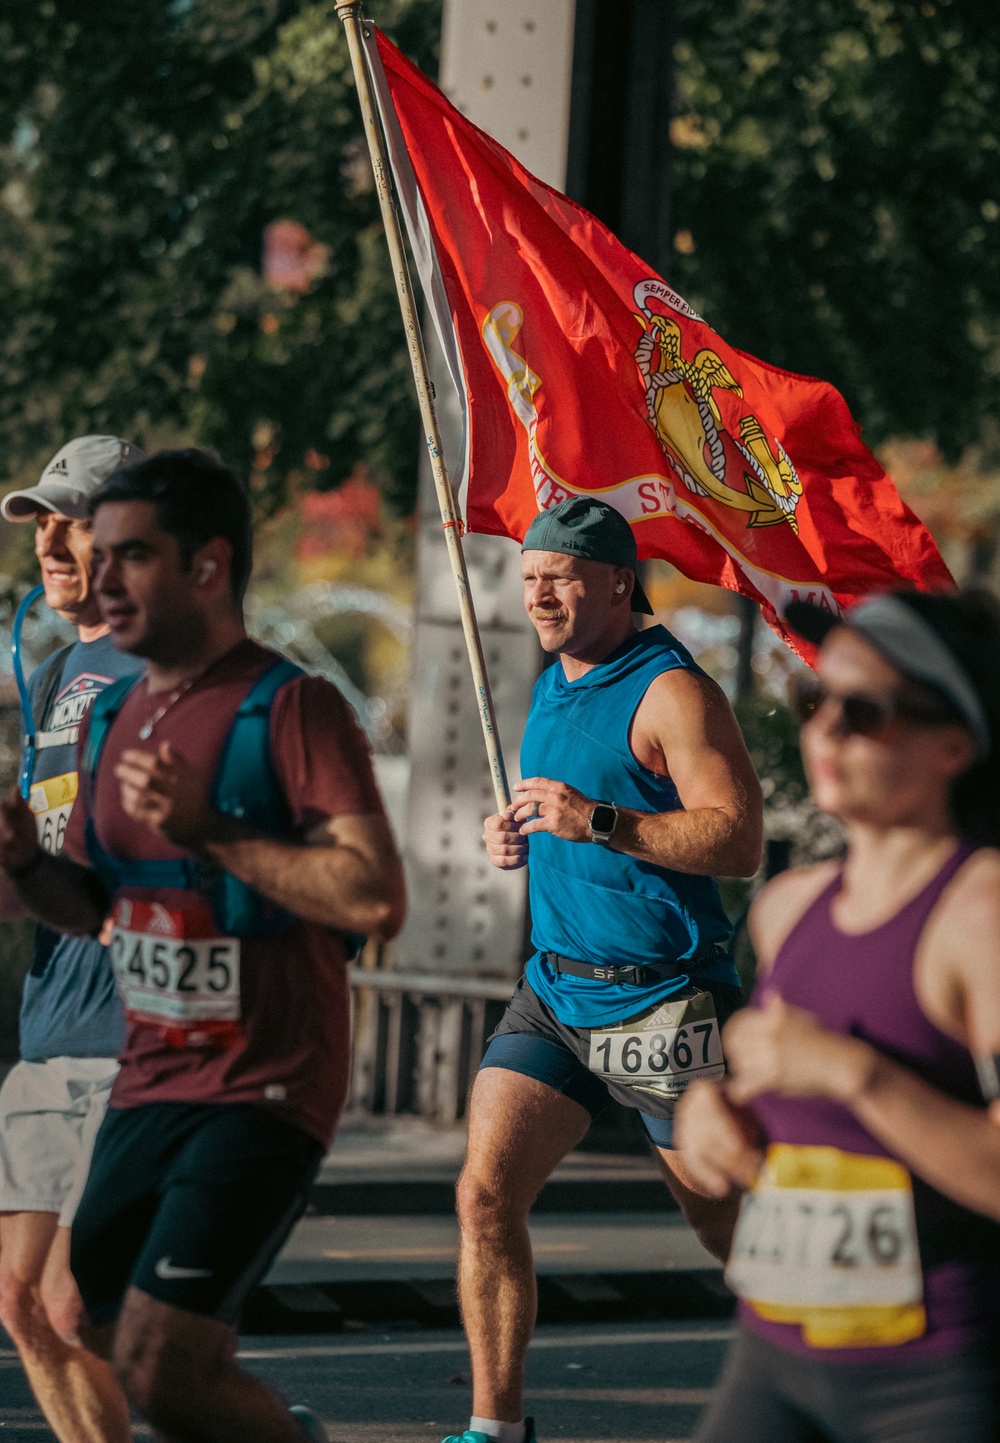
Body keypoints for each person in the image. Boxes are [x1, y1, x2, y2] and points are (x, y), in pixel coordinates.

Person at [0, 448, 406, 1443]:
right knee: (73, 1314)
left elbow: (373, 896)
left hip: (259, 1083)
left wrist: (214, 829)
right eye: (103, 556)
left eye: (131, 556)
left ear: (209, 565)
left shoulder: (291, 706)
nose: (100, 578)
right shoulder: (113, 712)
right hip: (150, 1074)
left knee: (168, 1370)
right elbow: (97, 904)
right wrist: (20, 862)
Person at [445, 496, 763, 1443]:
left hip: (661, 1002)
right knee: (484, 1194)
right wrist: (521, 834)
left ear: (618, 581)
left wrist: (599, 820)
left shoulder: (672, 690)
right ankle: (493, 1428)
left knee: (735, 1231)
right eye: (531, 574)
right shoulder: (555, 679)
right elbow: (569, 812)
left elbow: (739, 838)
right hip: (554, 993)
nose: (538, 592)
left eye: (561, 576)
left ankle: (857, 1371)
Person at [676, 588, 1000, 1443]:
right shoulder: (787, 906)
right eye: (816, 702)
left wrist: (852, 1072)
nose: (826, 731)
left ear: (954, 745)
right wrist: (714, 1111)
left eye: (865, 711)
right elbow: (777, 1092)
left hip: (938, 1377)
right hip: (772, 1359)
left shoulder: (980, 913)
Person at [0, 435, 144, 1443]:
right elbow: (40, 856)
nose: (52, 540)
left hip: (132, 1025)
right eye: (42, 520)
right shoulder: (55, 676)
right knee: (18, 1303)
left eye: (75, 517)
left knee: (69, 1302)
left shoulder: (163, 671)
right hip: (48, 1018)